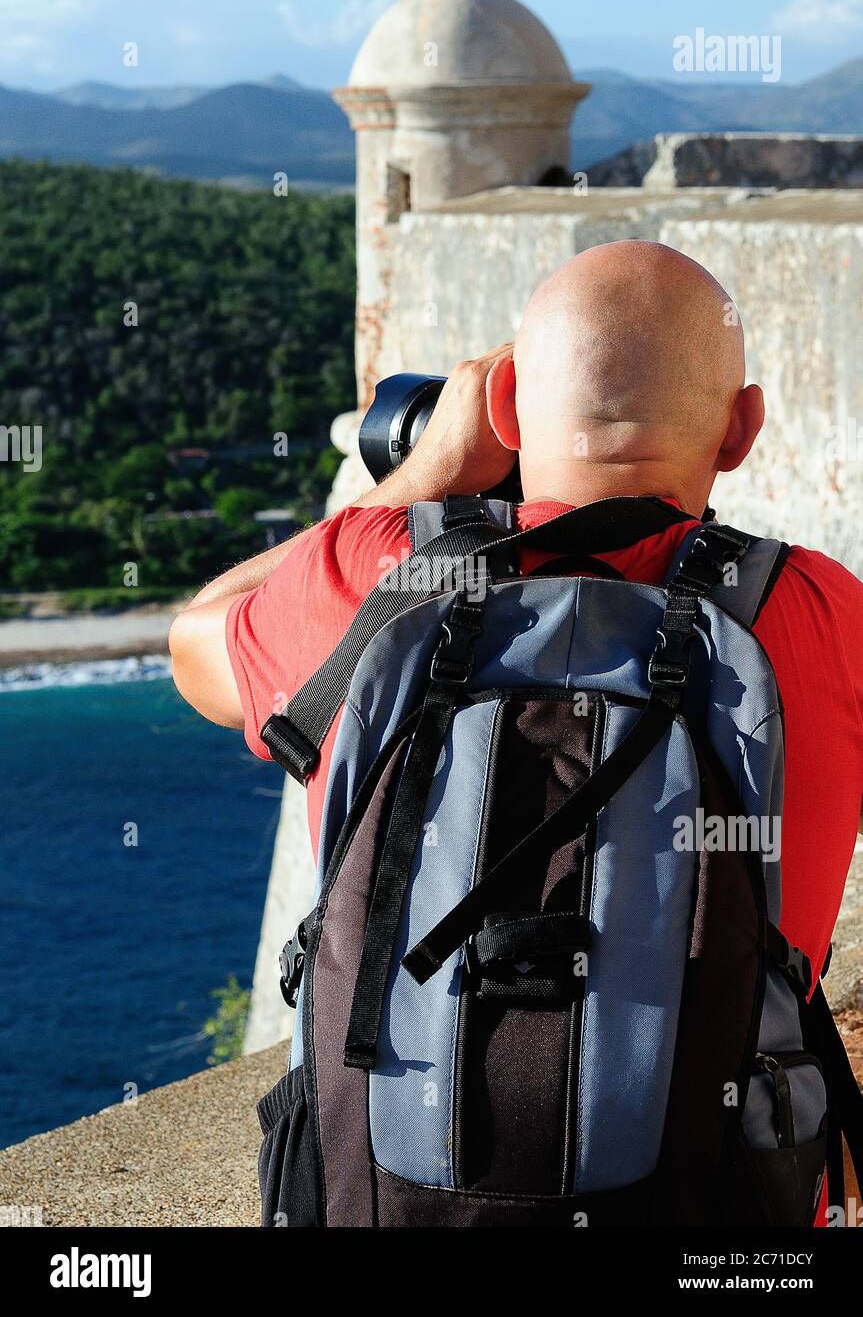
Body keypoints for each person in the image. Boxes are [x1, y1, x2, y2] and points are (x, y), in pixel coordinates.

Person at [170, 240, 862, 1012]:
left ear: (501, 409)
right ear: (741, 430)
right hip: (727, 1123)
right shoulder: (824, 609)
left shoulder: (378, 575)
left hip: (398, 1125)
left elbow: (194, 641)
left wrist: (421, 477)